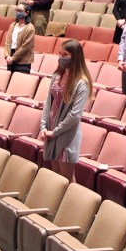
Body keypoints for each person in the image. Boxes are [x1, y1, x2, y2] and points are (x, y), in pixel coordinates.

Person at [39, 40, 92, 182]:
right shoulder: (56, 76)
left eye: (65, 55)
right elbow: (48, 103)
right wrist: (43, 126)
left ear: (75, 57)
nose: (61, 57)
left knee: (66, 177)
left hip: (66, 134)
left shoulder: (82, 83)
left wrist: (55, 132)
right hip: (51, 129)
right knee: (56, 176)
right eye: (60, 54)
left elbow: (75, 115)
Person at [3, 3, 35, 74]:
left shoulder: (30, 28)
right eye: (17, 10)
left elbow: (26, 47)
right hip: (10, 58)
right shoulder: (12, 25)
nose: (18, 12)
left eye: (20, 11)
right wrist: (7, 56)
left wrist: (13, 58)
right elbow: (7, 42)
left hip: (23, 61)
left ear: (27, 13)